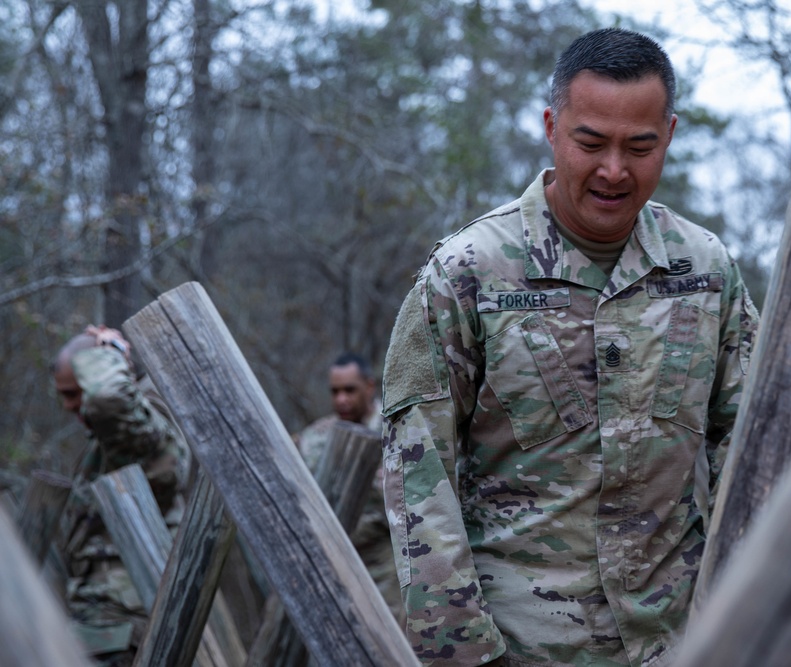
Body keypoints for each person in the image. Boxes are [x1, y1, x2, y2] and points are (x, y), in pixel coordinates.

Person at [380, 28, 758, 666]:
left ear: (668, 135)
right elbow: (419, 482)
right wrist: (464, 655)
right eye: (591, 143)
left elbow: (751, 449)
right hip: (524, 647)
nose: (615, 170)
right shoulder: (467, 274)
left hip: (682, 639)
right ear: (553, 127)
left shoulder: (707, 270)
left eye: (640, 146)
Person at [52, 325, 188, 666]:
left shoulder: (139, 435)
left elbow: (109, 399)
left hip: (124, 632)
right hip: (101, 629)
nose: (67, 406)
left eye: (73, 393)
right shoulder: (106, 444)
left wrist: (110, 354)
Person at [293, 352, 404, 626]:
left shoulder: (397, 428)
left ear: (369, 386)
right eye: (335, 391)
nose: (341, 399)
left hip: (385, 558)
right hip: (335, 559)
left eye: (350, 390)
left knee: (389, 637)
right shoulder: (319, 436)